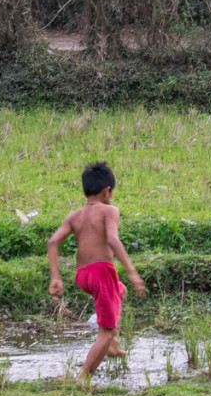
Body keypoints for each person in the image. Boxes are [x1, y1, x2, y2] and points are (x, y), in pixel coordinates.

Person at [47, 162, 146, 382]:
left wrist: (56, 277)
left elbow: (53, 242)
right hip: (102, 273)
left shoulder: (74, 216)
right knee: (106, 329)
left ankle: (111, 346)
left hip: (83, 275)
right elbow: (112, 239)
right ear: (107, 191)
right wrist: (132, 271)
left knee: (120, 291)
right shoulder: (110, 210)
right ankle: (84, 378)